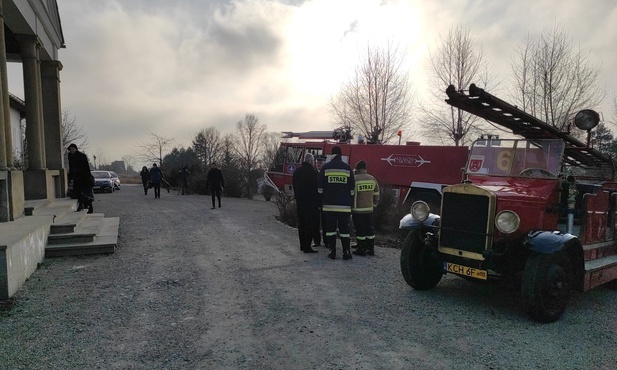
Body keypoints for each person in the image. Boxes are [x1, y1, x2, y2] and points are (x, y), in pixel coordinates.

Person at [318, 146, 355, 260]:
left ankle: (332, 252)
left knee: (330, 231)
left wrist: (322, 202)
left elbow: (320, 189)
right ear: (340, 154)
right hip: (344, 207)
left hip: (329, 207)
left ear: (332, 154)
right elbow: (352, 190)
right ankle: (346, 252)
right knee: (344, 231)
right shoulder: (348, 168)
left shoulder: (325, 168)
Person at [351, 160, 380, 256]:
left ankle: (361, 248)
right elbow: (376, 193)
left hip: (357, 210)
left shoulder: (355, 179)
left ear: (357, 169)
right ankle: (370, 249)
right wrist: (374, 204)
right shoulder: (372, 178)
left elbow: (351, 194)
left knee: (360, 230)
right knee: (369, 230)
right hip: (369, 209)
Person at [292, 153, 320, 254]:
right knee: (310, 225)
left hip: (300, 202)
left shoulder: (297, 172)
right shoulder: (313, 172)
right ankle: (307, 246)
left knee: (301, 224)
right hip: (311, 203)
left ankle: (302, 245)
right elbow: (316, 188)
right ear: (312, 161)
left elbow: (294, 187)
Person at [67, 143, 94, 213]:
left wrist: (87, 177)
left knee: (84, 192)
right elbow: (71, 167)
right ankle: (81, 204)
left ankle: (88, 205)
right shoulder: (70, 155)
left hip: (84, 177)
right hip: (76, 177)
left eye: (73, 149)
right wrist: (70, 177)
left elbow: (86, 167)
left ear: (76, 149)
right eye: (70, 149)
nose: (71, 151)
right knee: (77, 191)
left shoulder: (82, 156)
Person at [312, 155, 327, 247]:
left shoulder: (327, 173)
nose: (319, 164)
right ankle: (317, 241)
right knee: (315, 222)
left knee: (326, 223)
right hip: (316, 201)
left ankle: (326, 241)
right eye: (317, 162)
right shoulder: (313, 173)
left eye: (321, 163)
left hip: (325, 201)